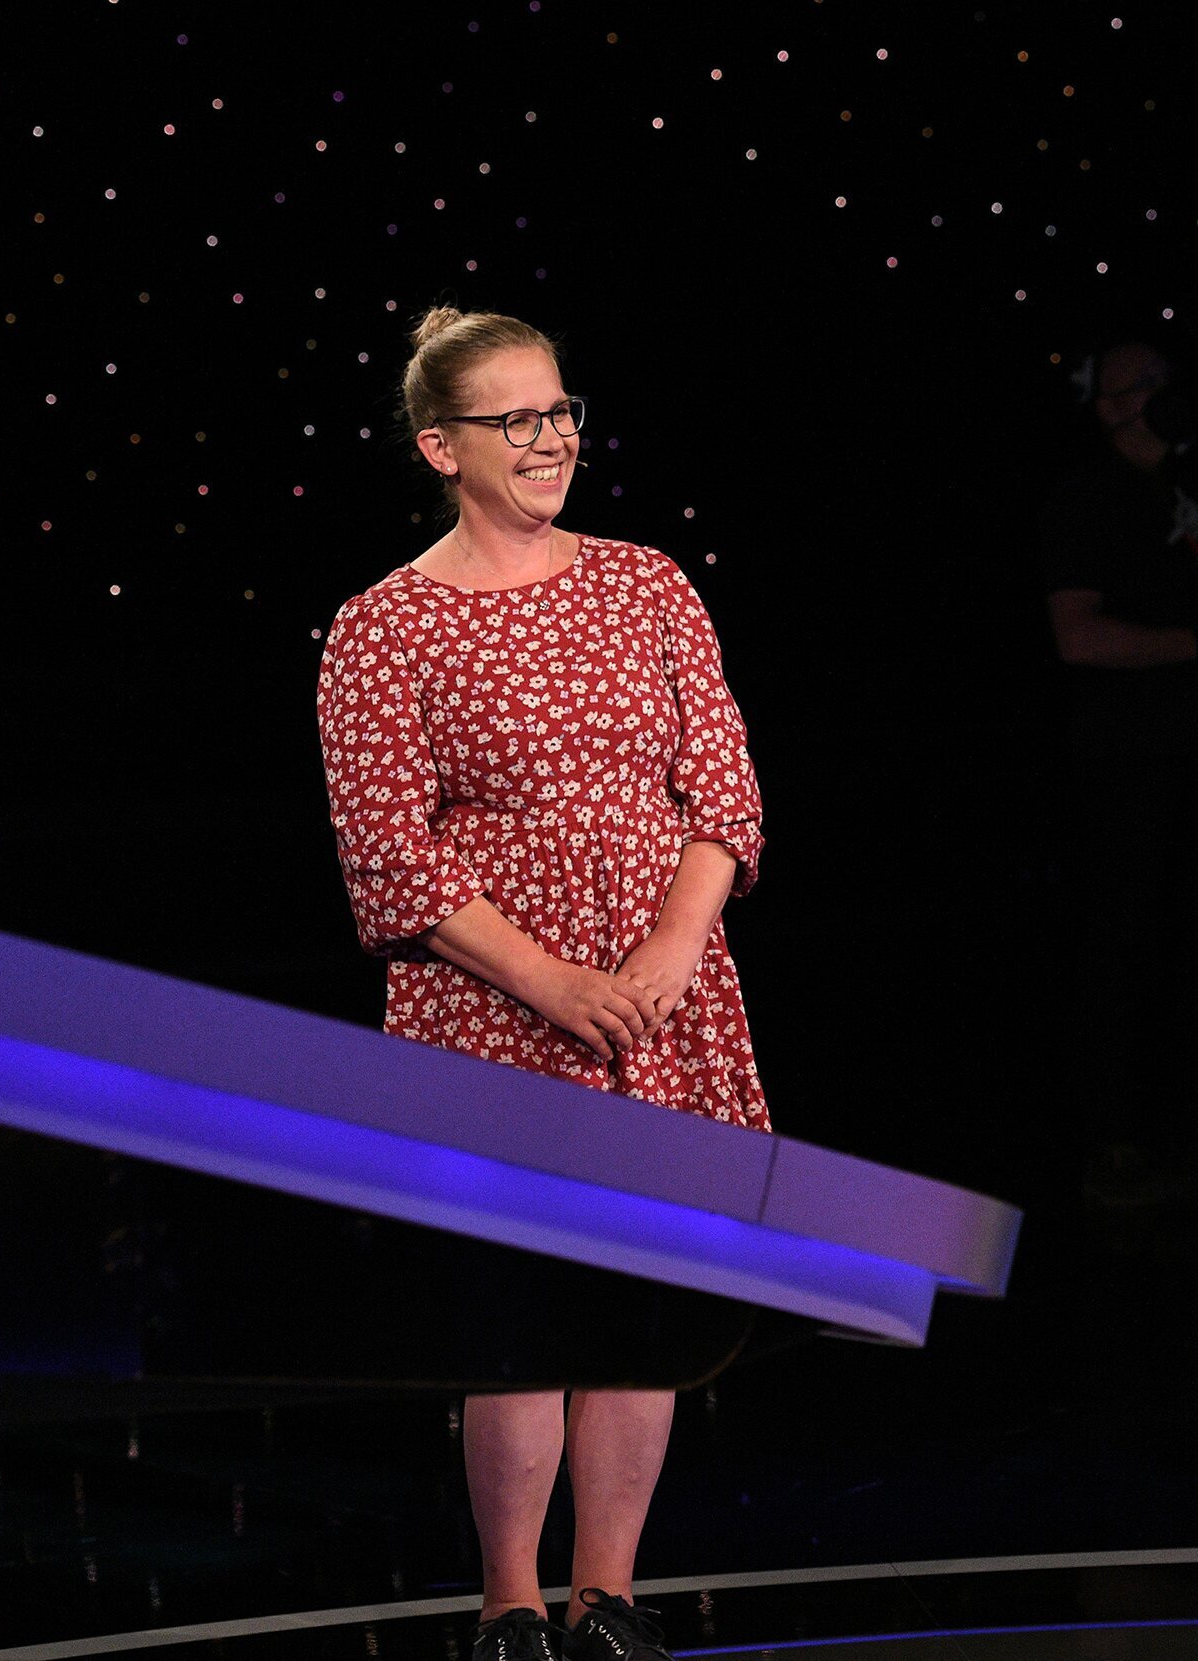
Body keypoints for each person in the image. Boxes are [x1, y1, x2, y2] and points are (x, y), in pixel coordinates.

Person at [315, 306, 770, 1661]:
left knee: (644, 1308)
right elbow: (388, 857)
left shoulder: (647, 582)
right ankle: (510, 1607)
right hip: (491, 1011)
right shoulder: (383, 627)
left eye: (560, 410)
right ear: (439, 446)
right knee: (513, 1317)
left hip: (662, 996)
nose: (549, 438)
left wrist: (667, 954)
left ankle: (605, 1598)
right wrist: (553, 982)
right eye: (514, 418)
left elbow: (724, 792)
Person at [1038, 341, 1198, 1203]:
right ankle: (1116, 1139)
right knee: (1125, 946)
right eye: (1141, 386)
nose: (1160, 398)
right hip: (1128, 762)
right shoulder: (1087, 498)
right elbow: (1077, 636)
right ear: (1109, 405)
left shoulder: (1196, 485)